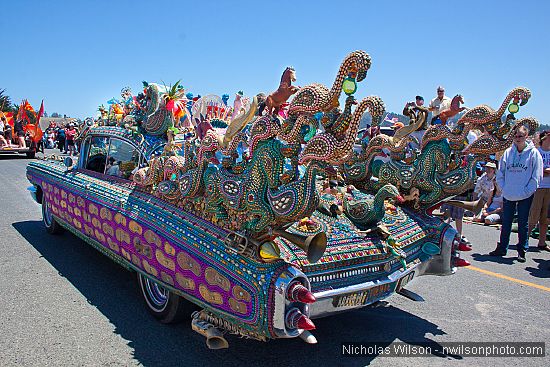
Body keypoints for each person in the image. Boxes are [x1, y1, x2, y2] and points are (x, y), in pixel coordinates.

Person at [490, 125, 543, 262]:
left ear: (526, 137)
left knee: (522, 222)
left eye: (520, 136)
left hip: (525, 193)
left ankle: (522, 250)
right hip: (509, 192)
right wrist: (503, 188)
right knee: (506, 221)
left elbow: (537, 175)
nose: (518, 139)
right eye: (515, 136)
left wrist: (528, 190)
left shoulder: (534, 153)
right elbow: (500, 172)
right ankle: (502, 247)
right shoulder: (508, 152)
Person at [528, 130, 550, 251]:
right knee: (534, 214)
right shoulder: (537, 152)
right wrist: (545, 171)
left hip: (549, 187)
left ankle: (542, 242)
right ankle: (524, 240)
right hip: (539, 187)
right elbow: (535, 169)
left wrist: (546, 170)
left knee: (545, 217)